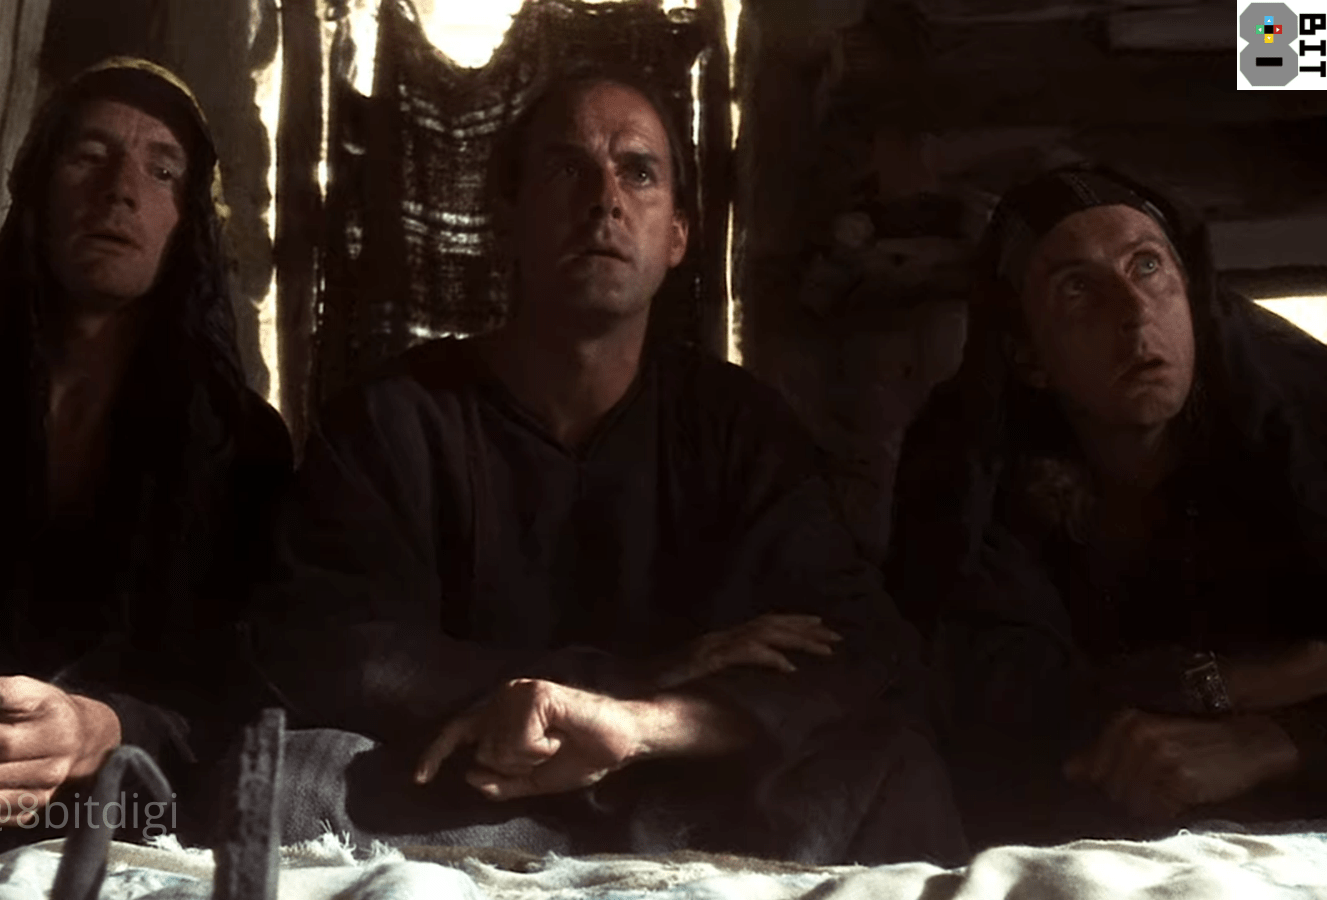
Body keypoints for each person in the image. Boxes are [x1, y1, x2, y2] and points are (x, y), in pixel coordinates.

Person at [248, 67, 967, 865]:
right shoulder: (395, 418)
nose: (605, 200)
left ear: (678, 236)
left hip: (679, 789)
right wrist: (635, 674)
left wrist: (643, 725)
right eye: (567, 169)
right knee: (288, 780)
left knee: (891, 768)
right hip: (470, 788)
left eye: (639, 172)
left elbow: (856, 642)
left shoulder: (740, 424)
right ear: (506, 216)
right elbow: (329, 648)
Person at [887, 163, 1327, 849]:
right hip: (1096, 795)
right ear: (1029, 357)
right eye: (1077, 289)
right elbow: (989, 686)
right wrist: (1241, 683)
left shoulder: (1303, 413)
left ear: (1191, 292)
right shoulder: (970, 459)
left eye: (1147, 266)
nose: (1134, 313)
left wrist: (1279, 740)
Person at [0, 58, 292, 850]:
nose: (120, 190)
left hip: (136, 828)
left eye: (162, 171)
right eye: (87, 156)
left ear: (188, 220)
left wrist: (97, 728)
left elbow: (251, 696)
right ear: (36, 192)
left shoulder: (241, 446)